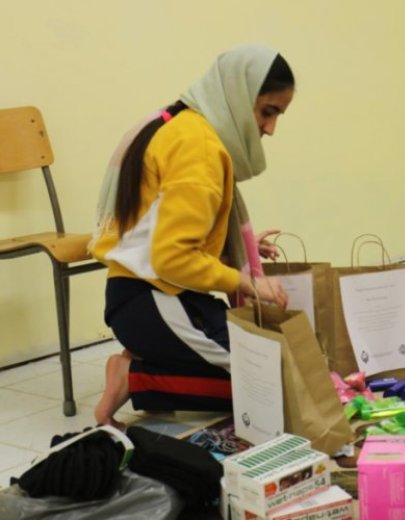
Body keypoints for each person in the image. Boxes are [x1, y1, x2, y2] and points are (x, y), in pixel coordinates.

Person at [90, 44, 294, 428]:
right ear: (238, 95)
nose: (270, 129)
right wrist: (246, 282)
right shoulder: (199, 148)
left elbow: (165, 233)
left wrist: (239, 251)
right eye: (267, 112)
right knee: (271, 383)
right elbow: (172, 258)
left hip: (152, 295)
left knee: (268, 363)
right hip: (154, 298)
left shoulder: (185, 125)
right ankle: (132, 377)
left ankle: (149, 358)